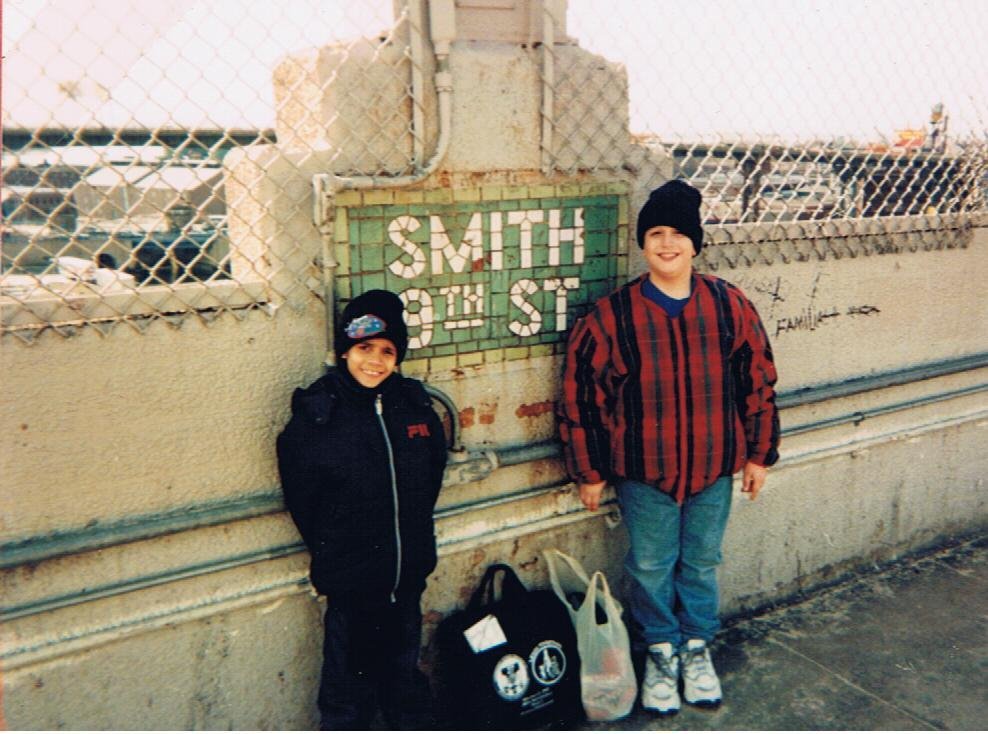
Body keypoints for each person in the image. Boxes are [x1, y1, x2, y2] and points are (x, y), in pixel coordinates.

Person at [557, 180, 780, 715]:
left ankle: (696, 648)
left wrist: (758, 453)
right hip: (644, 472)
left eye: (678, 233)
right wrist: (589, 471)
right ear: (642, 243)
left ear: (696, 243)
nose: (667, 243)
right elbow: (581, 396)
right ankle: (660, 650)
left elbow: (758, 380)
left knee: (701, 562)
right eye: (655, 232)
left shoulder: (728, 306)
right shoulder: (613, 316)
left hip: (712, 466)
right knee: (652, 564)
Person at [276, 289, 448, 730]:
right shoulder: (320, 414)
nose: (374, 361)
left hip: (405, 576)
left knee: (403, 678)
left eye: (387, 352)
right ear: (345, 351)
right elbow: (303, 496)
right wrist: (337, 549)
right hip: (352, 582)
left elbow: (430, 476)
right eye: (364, 349)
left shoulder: (413, 407)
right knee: (346, 687)